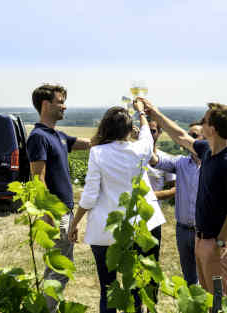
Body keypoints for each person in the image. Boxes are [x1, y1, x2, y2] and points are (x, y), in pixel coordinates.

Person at [141, 99, 227, 296]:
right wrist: (154, 112)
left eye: (204, 121)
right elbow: (179, 136)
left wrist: (220, 243)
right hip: (202, 239)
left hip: (217, 244)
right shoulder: (208, 151)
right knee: (205, 297)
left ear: (212, 129)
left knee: (219, 301)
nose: (201, 123)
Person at [68, 103, 166, 313]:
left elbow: (90, 196)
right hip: (142, 227)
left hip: (106, 231)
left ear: (104, 128)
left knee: (108, 289)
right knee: (139, 288)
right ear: (129, 130)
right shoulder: (140, 149)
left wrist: (74, 223)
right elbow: (148, 135)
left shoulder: (98, 153)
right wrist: (141, 112)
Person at [27, 84, 91, 313]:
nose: (64, 105)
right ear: (46, 105)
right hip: (56, 212)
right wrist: (47, 213)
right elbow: (38, 178)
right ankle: (48, 309)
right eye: (60, 101)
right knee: (62, 266)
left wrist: (112, 133)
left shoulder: (58, 136)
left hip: (65, 211)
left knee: (55, 262)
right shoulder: (38, 137)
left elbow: (88, 143)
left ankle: (45, 307)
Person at [149, 121, 204, 286]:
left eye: (193, 136)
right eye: (188, 135)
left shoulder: (213, 164)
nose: (188, 139)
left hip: (204, 233)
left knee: (207, 281)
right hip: (182, 231)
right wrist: (148, 136)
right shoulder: (180, 163)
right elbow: (154, 160)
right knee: (190, 281)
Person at [146, 120, 176, 205]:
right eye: (145, 130)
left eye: (152, 131)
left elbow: (175, 189)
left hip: (153, 210)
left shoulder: (166, 159)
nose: (148, 134)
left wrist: (150, 196)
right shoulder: (132, 155)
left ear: (159, 133)